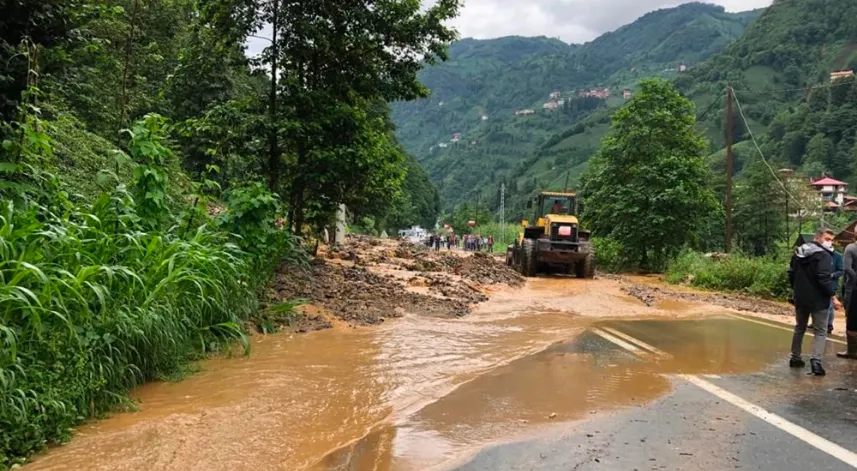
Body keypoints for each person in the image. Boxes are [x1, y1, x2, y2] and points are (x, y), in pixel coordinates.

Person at [788, 228, 842, 376]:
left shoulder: (798, 253)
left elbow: (791, 274)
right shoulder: (823, 256)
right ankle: (816, 362)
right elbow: (824, 279)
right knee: (820, 331)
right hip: (819, 299)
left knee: (800, 327)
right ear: (817, 238)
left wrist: (796, 290)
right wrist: (833, 296)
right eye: (827, 238)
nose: (830, 242)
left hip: (801, 298)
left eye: (831, 239)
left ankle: (795, 357)